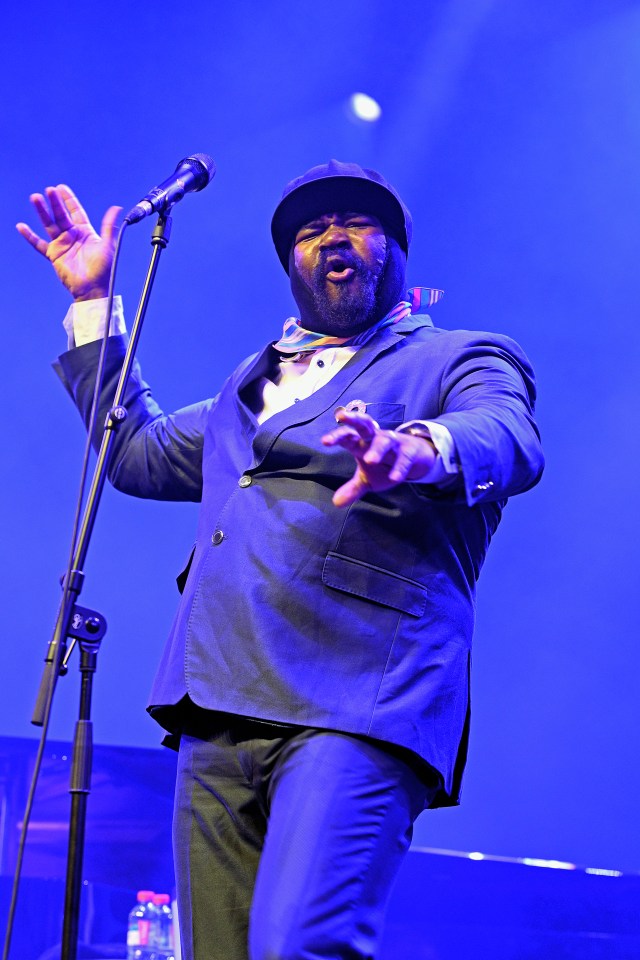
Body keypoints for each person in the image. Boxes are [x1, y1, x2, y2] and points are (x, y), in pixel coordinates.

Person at [18, 159, 544, 960]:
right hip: (219, 702)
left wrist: (417, 448)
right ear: (291, 268)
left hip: (361, 697)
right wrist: (94, 306)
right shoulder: (248, 389)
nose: (333, 236)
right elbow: (138, 453)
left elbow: (506, 434)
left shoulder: (458, 357)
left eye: (357, 223)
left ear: (398, 252)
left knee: (301, 943)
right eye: (310, 230)